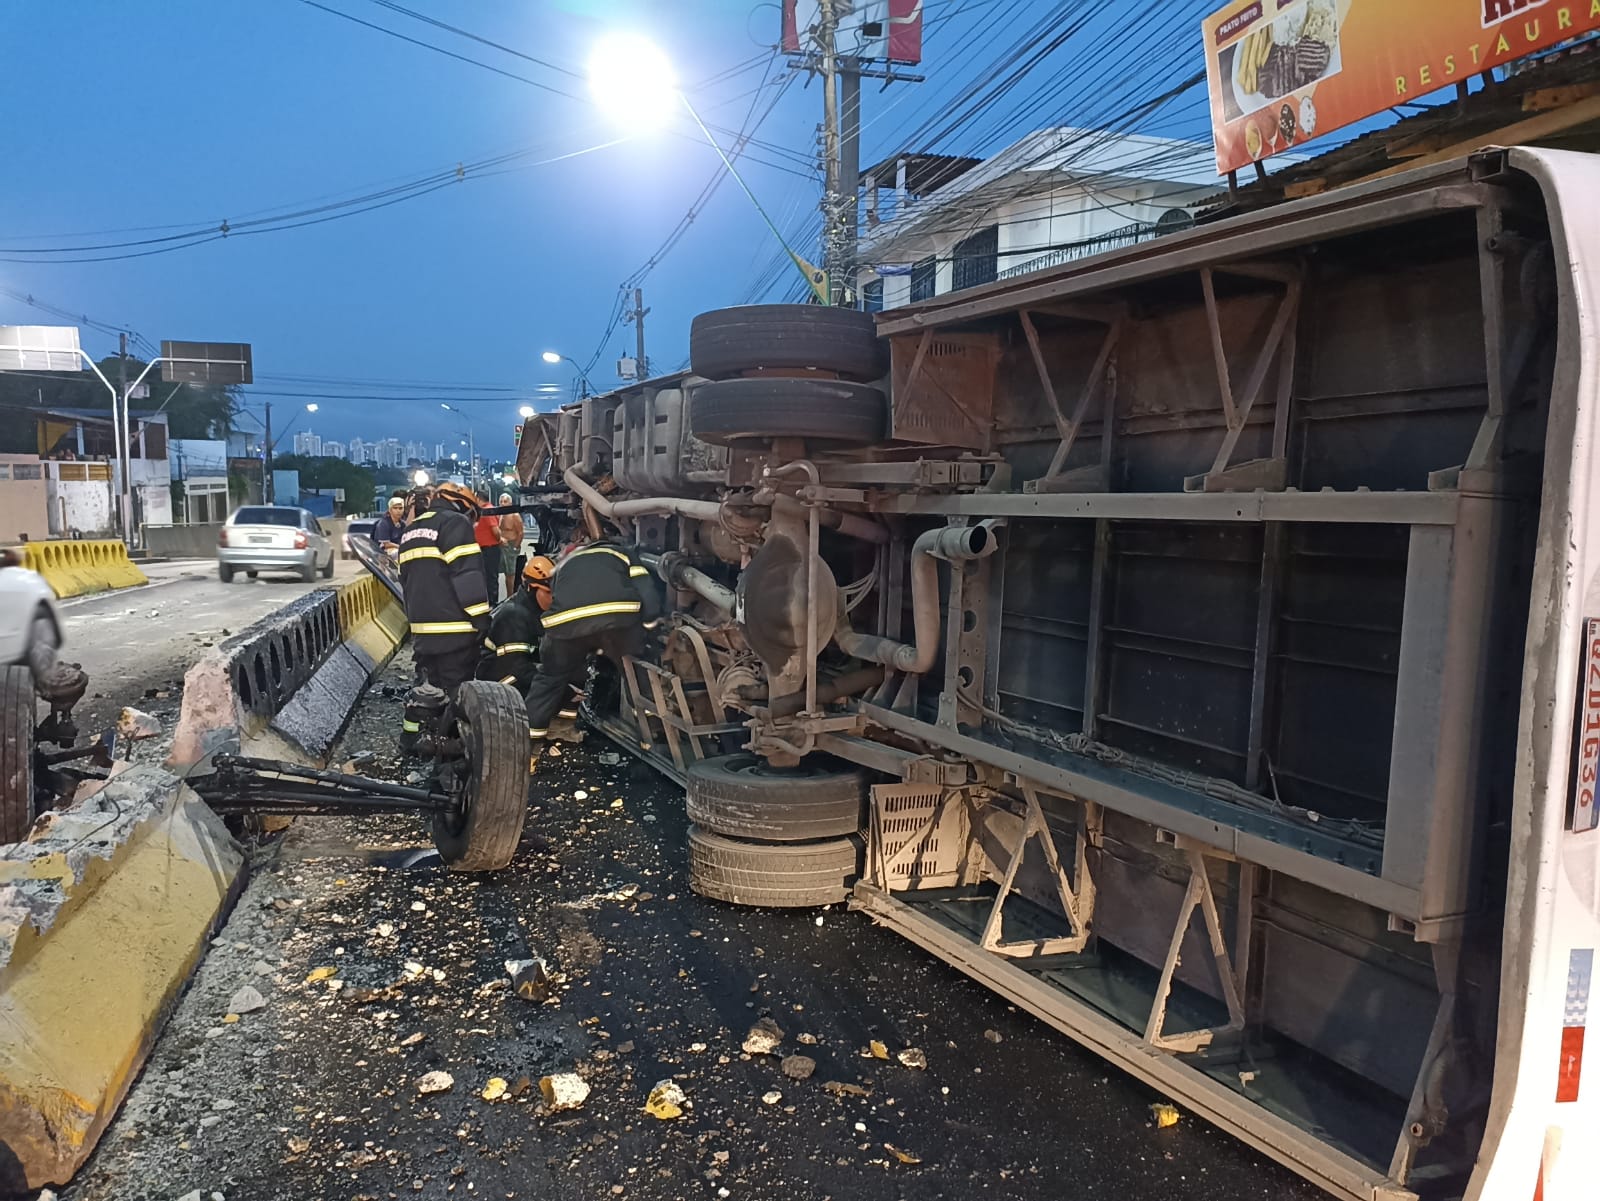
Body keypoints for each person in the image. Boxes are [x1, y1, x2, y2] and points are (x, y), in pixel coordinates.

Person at [523, 533, 661, 740]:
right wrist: (649, 629)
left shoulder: (564, 563)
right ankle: (653, 733)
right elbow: (647, 593)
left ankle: (527, 742)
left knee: (549, 679)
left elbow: (559, 597)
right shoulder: (623, 554)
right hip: (618, 622)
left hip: (566, 625)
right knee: (636, 671)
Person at [397, 482, 492, 695]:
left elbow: (405, 580)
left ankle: (418, 727)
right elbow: (468, 575)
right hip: (455, 631)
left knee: (428, 693)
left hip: (423, 632)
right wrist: (481, 619)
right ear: (462, 506)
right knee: (455, 694)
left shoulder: (411, 530)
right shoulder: (455, 523)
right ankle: (448, 729)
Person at [478, 555, 553, 693]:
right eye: (548, 592)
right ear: (532, 588)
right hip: (496, 682)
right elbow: (517, 667)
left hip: (512, 669)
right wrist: (556, 687)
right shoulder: (513, 616)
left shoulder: (533, 610)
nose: (553, 598)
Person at [473, 494, 502, 606]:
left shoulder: (487, 511)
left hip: (489, 550)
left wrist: (499, 539)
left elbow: (495, 530)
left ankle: (492, 603)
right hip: (486, 549)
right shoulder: (484, 511)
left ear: (479, 499)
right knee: (487, 577)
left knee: (490, 577)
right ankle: (489, 602)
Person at [497, 492, 525, 600]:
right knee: (505, 573)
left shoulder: (514, 515)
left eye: (505, 501)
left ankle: (511, 597)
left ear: (510, 502)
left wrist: (515, 547)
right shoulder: (500, 514)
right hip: (502, 546)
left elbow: (521, 532)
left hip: (511, 545)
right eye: (501, 501)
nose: (503, 504)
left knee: (511, 574)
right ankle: (508, 597)